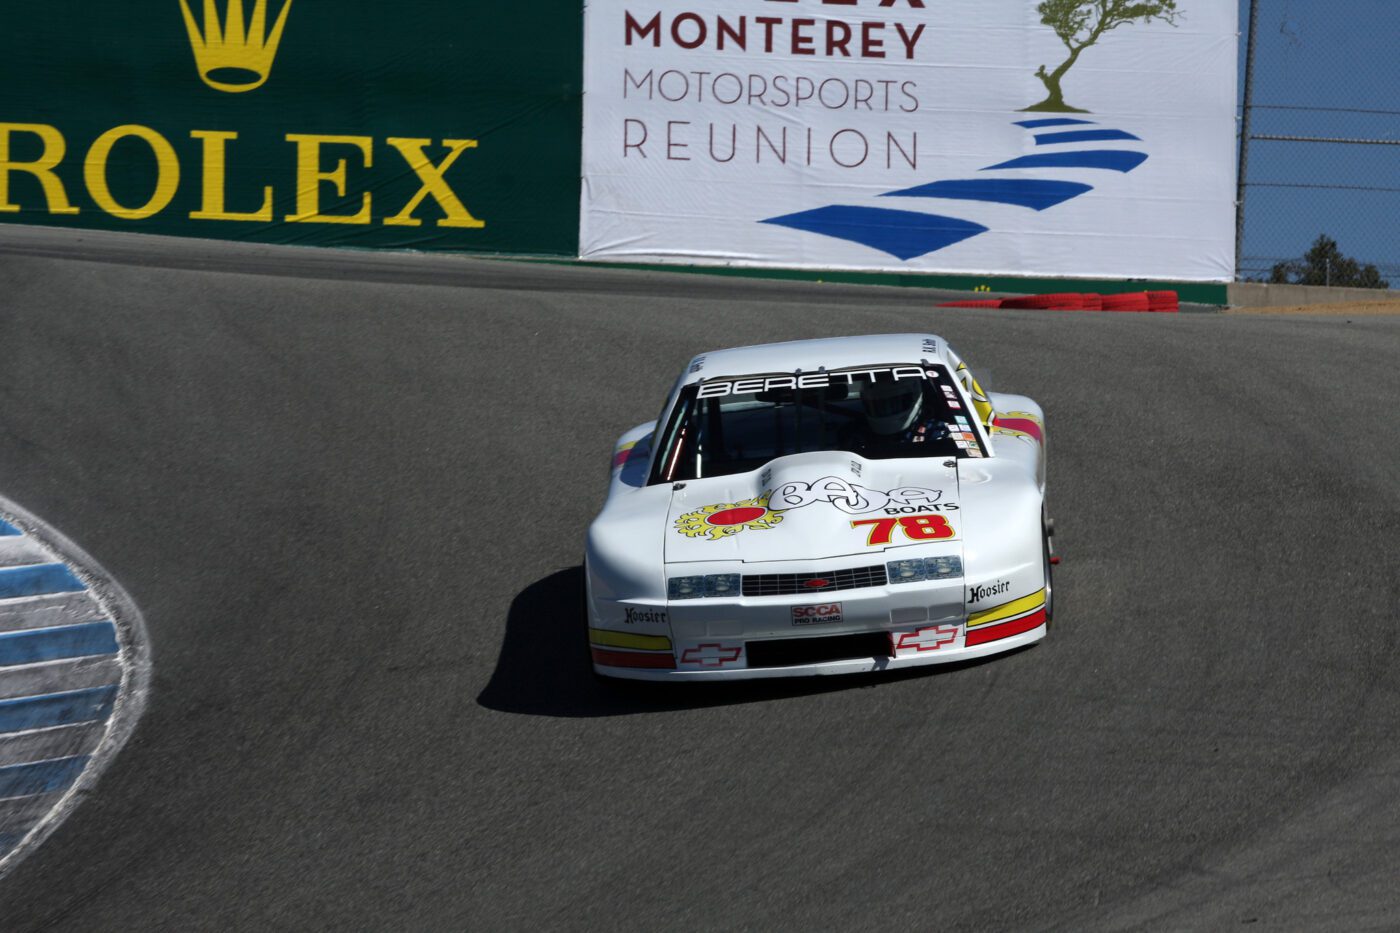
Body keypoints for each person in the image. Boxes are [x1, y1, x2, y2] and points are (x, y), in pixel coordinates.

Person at [854, 378, 950, 455]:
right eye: (878, 405)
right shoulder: (857, 435)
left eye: (894, 403)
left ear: (914, 399)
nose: (887, 410)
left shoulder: (938, 432)